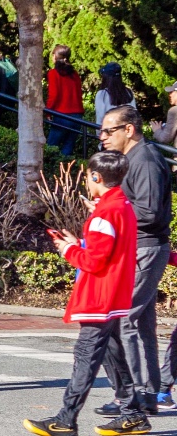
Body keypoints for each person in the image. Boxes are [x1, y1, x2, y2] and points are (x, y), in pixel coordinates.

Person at [24, 150, 139, 436]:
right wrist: (81, 242)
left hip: (99, 296)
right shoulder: (122, 206)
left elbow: (92, 262)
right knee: (112, 353)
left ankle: (65, 419)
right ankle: (133, 413)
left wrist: (69, 249)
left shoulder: (105, 213)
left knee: (86, 356)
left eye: (88, 176)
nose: (87, 181)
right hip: (114, 294)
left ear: (96, 177)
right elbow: (107, 251)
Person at [95, 105, 171, 425]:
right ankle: (148, 394)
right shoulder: (134, 159)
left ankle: (134, 396)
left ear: (129, 130)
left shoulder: (147, 160)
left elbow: (151, 212)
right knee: (142, 324)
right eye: (102, 131)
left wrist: (111, 214)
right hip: (139, 248)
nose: (103, 137)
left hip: (144, 249)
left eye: (109, 131)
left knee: (122, 320)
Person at [50, 46, 88, 154]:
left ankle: (48, 169)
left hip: (62, 114)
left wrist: (47, 110)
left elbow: (53, 95)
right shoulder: (74, 74)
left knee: (51, 146)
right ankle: (65, 169)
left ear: (55, 57)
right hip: (77, 115)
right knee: (68, 146)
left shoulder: (53, 73)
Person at [96, 63, 135, 129]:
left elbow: (100, 118)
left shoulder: (102, 94)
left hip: (110, 132)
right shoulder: (128, 92)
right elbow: (134, 115)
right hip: (127, 133)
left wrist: (99, 134)